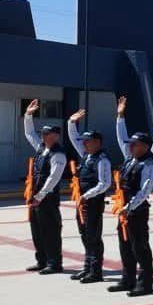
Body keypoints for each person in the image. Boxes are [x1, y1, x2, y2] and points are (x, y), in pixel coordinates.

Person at [111, 97, 153, 296]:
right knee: (125, 245)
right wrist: (120, 116)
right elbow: (120, 137)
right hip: (124, 210)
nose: (131, 147)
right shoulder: (130, 159)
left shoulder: (147, 164)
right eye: (131, 144)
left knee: (140, 247)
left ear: (146, 147)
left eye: (136, 144)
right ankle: (127, 278)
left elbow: (145, 190)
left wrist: (130, 206)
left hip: (136, 210)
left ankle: (145, 283)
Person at [65, 109, 112, 283]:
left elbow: (104, 184)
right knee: (84, 235)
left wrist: (87, 195)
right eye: (84, 142)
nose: (84, 144)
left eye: (88, 142)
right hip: (82, 202)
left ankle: (95, 271)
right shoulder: (86, 156)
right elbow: (73, 138)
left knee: (93, 236)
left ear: (97, 142)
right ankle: (87, 268)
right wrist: (72, 122)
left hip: (92, 203)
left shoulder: (102, 160)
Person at [22, 99, 67, 274]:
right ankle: (41, 260)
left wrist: (40, 196)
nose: (42, 136)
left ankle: (54, 263)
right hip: (36, 197)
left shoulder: (58, 154)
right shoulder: (42, 148)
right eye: (43, 134)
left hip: (47, 198)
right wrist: (28, 115)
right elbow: (29, 133)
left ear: (55, 136)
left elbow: (54, 177)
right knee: (37, 229)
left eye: (46, 134)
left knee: (50, 231)